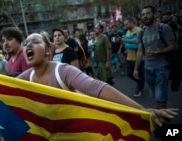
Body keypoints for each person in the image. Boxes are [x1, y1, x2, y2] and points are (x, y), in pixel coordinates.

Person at [17, 32, 178, 128]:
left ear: (47, 51)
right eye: (25, 43)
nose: (28, 44)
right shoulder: (27, 77)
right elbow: (1, 88)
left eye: (35, 41)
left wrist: (142, 110)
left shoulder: (63, 71)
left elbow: (97, 87)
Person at [133, 5, 177, 137]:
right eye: (143, 14)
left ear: (154, 14)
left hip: (162, 68)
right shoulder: (142, 32)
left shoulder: (164, 28)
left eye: (147, 13)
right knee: (156, 97)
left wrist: (158, 51)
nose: (145, 16)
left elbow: (173, 46)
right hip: (148, 70)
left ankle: (161, 126)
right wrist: (136, 68)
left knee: (160, 97)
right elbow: (140, 51)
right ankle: (164, 115)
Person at [122, 17, 145, 97]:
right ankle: (140, 83)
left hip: (137, 57)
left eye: (127, 24)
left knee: (138, 74)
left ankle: (139, 88)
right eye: (124, 25)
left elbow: (136, 40)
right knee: (129, 73)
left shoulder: (139, 30)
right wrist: (126, 49)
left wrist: (125, 40)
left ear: (132, 23)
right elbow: (129, 43)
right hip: (129, 57)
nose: (125, 26)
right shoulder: (128, 31)